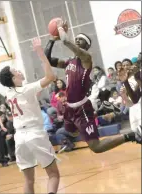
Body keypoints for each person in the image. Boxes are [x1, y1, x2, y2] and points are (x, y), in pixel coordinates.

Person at [44, 19, 141, 153]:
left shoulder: (86, 59)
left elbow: (66, 41)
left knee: (96, 147)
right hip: (69, 108)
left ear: (86, 45)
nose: (77, 40)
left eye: (81, 40)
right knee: (70, 132)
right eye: (76, 38)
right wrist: (52, 39)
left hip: (82, 108)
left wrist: (60, 28)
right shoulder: (68, 62)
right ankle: (95, 116)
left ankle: (130, 135)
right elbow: (47, 59)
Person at [0, 38, 60, 194]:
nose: (19, 71)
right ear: (13, 79)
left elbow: (31, 96)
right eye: (15, 71)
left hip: (20, 138)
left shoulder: (9, 93)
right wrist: (40, 53)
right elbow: (50, 76)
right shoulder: (26, 90)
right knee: (53, 175)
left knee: (28, 180)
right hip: (34, 133)